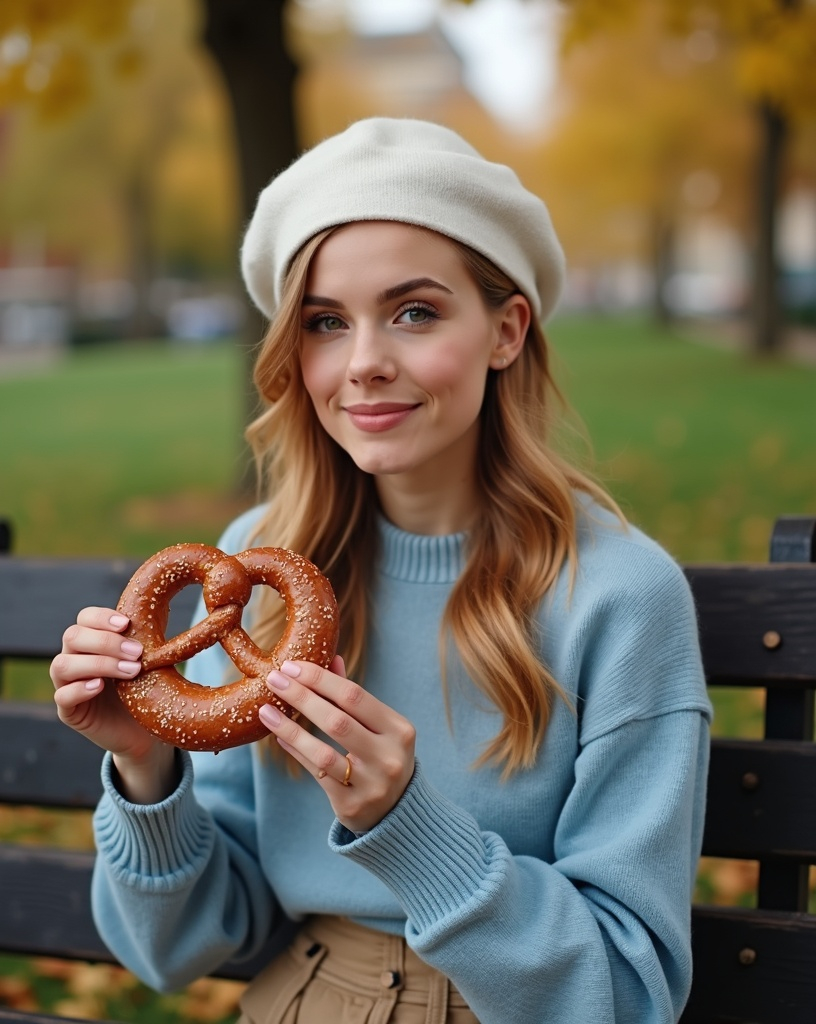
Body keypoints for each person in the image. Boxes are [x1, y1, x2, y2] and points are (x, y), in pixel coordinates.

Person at [50, 117, 712, 1024]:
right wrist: (148, 771)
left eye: (415, 312)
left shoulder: (619, 597)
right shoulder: (253, 571)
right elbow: (186, 950)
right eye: (325, 323)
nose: (363, 363)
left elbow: (628, 993)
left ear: (507, 330)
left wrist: (409, 827)